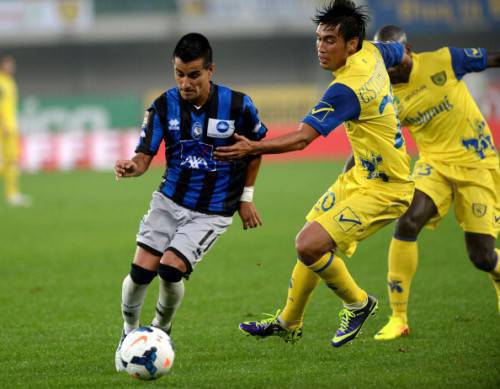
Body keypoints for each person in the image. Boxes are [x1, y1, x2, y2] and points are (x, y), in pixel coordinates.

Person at [214, 0, 414, 347]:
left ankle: (359, 303)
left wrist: (252, 148)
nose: (321, 47)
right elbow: (405, 54)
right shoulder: (375, 52)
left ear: (352, 44)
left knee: (308, 245)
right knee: (310, 240)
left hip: (387, 188)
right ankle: (289, 322)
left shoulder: (346, 88)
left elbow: (303, 138)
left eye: (330, 40)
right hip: (360, 176)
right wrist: (402, 76)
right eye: (319, 38)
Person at [114, 32, 267, 371]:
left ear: (210, 70)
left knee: (170, 269)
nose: (186, 83)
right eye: (179, 74)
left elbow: (256, 150)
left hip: (211, 211)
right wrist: (131, 166)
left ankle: (160, 330)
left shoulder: (239, 106)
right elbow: (144, 156)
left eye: (194, 74)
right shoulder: (163, 105)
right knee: (141, 271)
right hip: (169, 201)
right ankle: (128, 336)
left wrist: (247, 197)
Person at [371, 25, 500, 341]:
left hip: (477, 164)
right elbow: (374, 145)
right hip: (434, 167)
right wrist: (350, 176)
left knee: (482, 257)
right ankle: (398, 317)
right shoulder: (385, 96)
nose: (390, 66)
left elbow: (493, 58)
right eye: (383, 59)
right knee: (407, 221)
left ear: (409, 49)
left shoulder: (444, 60)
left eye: (394, 58)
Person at [0, 54, 31, 207]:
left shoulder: (10, 82)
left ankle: (13, 192)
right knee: (11, 160)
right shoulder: (1, 83)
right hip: (5, 127)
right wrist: (4, 124)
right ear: (2, 65)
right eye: (8, 64)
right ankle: (12, 194)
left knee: (9, 161)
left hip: (11, 125)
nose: (12, 67)